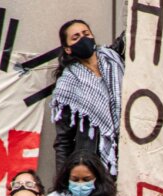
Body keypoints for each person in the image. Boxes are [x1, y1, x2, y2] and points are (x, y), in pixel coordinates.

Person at [51, 19, 123, 174]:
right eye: (76, 38)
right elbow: (63, 141)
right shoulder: (67, 84)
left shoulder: (114, 58)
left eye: (86, 34)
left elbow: (135, 31)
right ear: (68, 49)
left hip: (130, 152)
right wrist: (62, 181)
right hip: (95, 166)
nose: (83, 39)